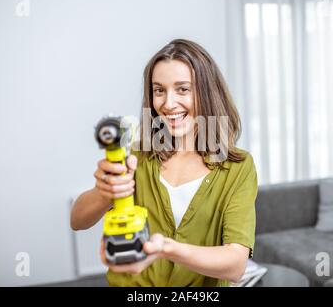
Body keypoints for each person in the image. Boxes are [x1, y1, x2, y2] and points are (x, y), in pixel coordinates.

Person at [70, 39, 258, 286]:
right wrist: (105, 192)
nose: (168, 104)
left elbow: (235, 265)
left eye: (182, 89)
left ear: (207, 92)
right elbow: (78, 221)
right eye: (159, 90)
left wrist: (166, 248)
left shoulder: (237, 167)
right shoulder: (137, 157)